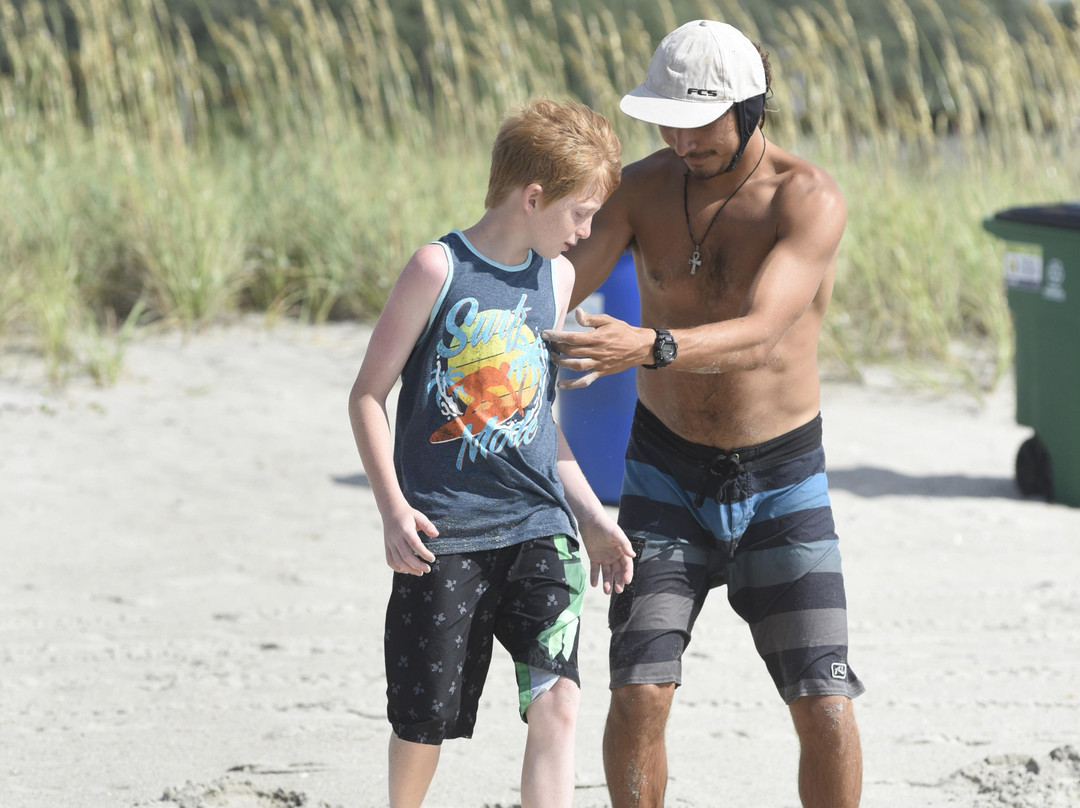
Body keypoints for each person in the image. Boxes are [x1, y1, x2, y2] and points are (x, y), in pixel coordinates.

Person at [541, 20, 865, 808]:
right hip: (664, 473)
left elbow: (760, 334)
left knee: (824, 702)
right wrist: (522, 340)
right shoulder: (643, 189)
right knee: (640, 693)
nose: (679, 141)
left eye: (697, 123)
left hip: (784, 481)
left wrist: (648, 346)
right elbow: (556, 285)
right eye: (666, 122)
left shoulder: (806, 198)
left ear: (749, 109)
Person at [347, 98, 636, 808]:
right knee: (424, 722)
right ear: (533, 197)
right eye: (580, 213)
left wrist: (594, 518)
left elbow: (539, 425)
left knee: (559, 703)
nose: (588, 232)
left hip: (540, 526)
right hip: (444, 537)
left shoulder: (556, 281)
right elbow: (366, 398)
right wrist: (392, 510)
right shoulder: (435, 270)